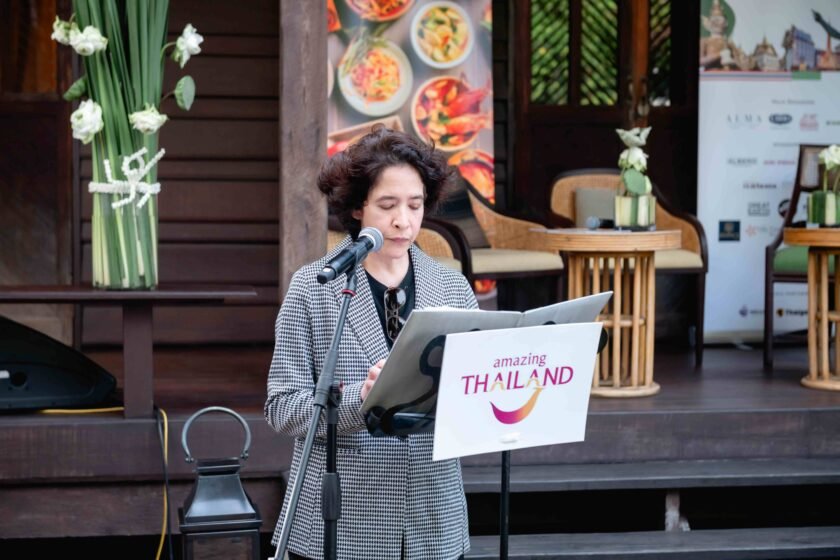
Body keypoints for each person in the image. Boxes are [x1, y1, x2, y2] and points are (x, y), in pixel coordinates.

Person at [265, 126, 477, 560]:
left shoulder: (452, 288)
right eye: (387, 205)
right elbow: (281, 408)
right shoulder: (313, 288)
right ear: (357, 207)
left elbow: (474, 395)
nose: (404, 221)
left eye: (415, 205)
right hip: (344, 518)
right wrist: (360, 404)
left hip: (433, 516)